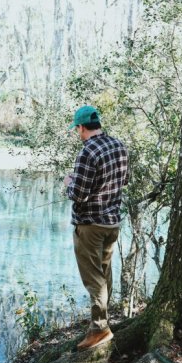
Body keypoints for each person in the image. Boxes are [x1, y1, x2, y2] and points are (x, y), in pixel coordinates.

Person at [63, 105, 128, 350]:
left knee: (94, 280)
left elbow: (78, 194)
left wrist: (69, 182)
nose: (78, 133)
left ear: (81, 127)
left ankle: (99, 329)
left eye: (77, 129)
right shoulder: (118, 146)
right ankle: (102, 322)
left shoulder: (87, 152)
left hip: (90, 225)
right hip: (112, 223)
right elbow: (125, 180)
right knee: (104, 274)